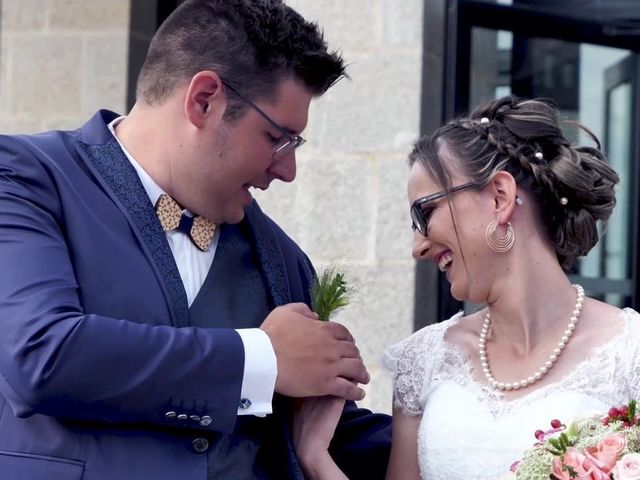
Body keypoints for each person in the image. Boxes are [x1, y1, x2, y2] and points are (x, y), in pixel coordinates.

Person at [0, 1, 391, 479]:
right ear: (204, 99)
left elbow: (326, 430)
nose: (287, 171)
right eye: (278, 138)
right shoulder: (24, 178)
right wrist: (261, 357)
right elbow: (42, 354)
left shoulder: (285, 260)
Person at [293, 95, 640, 479]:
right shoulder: (423, 360)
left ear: (500, 197)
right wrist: (315, 456)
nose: (418, 246)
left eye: (425, 213)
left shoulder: (630, 354)